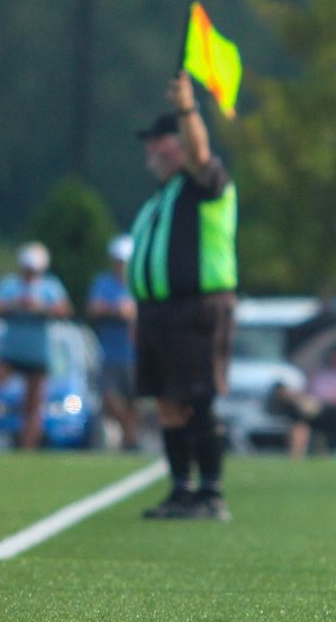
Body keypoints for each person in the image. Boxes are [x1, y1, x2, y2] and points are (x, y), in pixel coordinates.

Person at [131, 71, 237, 520]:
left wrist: (187, 109)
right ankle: (182, 489)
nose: (153, 149)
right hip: (158, 313)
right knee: (169, 403)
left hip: (196, 308)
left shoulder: (202, 184)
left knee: (198, 399)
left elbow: (200, 154)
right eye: (151, 142)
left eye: (162, 141)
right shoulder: (164, 196)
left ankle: (211, 494)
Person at [0, 242, 73, 449]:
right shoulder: (10, 285)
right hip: (11, 353)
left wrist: (40, 307)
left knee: (33, 403)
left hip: (37, 354)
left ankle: (28, 448)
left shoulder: (50, 286)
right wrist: (15, 304)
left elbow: (64, 310)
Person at [86, 234, 139, 451]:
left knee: (135, 401)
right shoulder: (103, 283)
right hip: (111, 354)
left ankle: (130, 441)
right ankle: (130, 434)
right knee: (109, 397)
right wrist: (117, 310)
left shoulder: (139, 283)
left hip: (136, 353)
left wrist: (123, 311)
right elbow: (94, 308)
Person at [283, 344, 336, 459]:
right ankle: (296, 454)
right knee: (300, 418)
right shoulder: (320, 373)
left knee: (305, 414)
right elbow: (308, 391)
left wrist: (333, 402)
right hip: (315, 407)